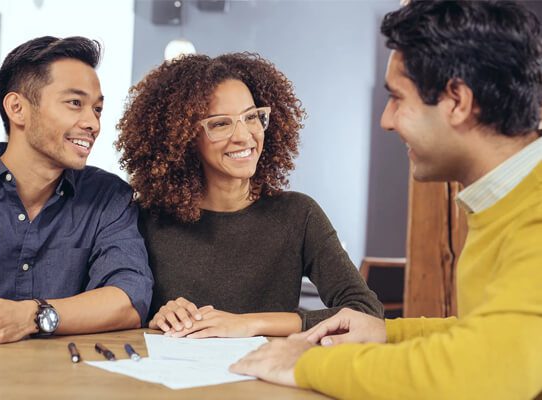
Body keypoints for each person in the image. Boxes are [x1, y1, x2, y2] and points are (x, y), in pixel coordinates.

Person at [230, 1, 542, 399]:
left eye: (397, 98)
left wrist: (304, 364)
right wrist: (386, 332)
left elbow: (488, 372)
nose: (387, 120)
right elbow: (494, 335)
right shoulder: (508, 199)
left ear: (457, 101)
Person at [116, 53, 383, 338]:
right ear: (182, 137)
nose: (244, 136)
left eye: (252, 116)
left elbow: (365, 312)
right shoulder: (147, 219)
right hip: (168, 378)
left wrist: (248, 323)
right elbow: (121, 309)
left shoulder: (298, 215)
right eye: (220, 123)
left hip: (265, 377)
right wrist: (155, 316)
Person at [0, 36, 153, 345]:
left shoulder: (108, 197)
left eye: (97, 109)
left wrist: (32, 316)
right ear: (17, 108)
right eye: (75, 103)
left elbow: (129, 299)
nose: (93, 124)